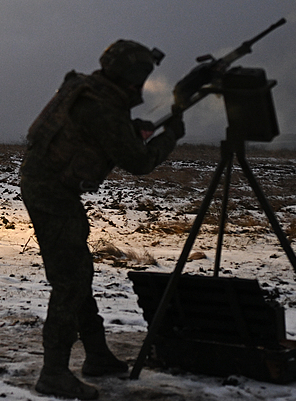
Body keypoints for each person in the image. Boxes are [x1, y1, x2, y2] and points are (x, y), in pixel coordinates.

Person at [19, 40, 185, 399]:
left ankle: (96, 355)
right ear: (131, 77)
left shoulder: (90, 88)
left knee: (77, 271)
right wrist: (170, 136)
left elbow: (100, 133)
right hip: (51, 191)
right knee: (70, 281)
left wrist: (133, 129)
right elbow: (139, 162)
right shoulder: (103, 108)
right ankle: (54, 373)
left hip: (49, 185)